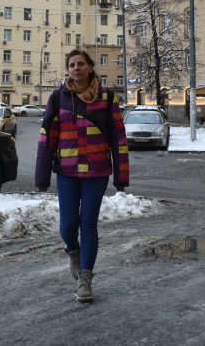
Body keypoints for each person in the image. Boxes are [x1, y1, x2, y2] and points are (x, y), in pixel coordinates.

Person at [35, 49, 129, 303]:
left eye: (81, 64)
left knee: (88, 223)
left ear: (90, 67)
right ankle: (73, 251)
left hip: (96, 172)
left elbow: (119, 140)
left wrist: (121, 177)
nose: (76, 68)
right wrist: (41, 176)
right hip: (67, 172)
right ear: (68, 70)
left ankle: (85, 278)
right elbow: (46, 139)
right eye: (72, 65)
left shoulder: (108, 98)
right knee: (67, 226)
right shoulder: (58, 98)